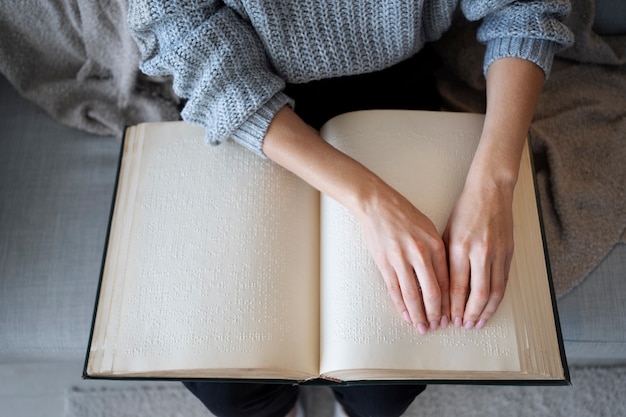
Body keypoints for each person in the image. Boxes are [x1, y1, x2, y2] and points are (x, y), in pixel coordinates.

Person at [128, 1, 573, 416]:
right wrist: (373, 201)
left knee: (386, 377)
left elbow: (526, 9)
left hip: (392, 75)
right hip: (238, 86)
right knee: (229, 378)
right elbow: (188, 35)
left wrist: (494, 184)